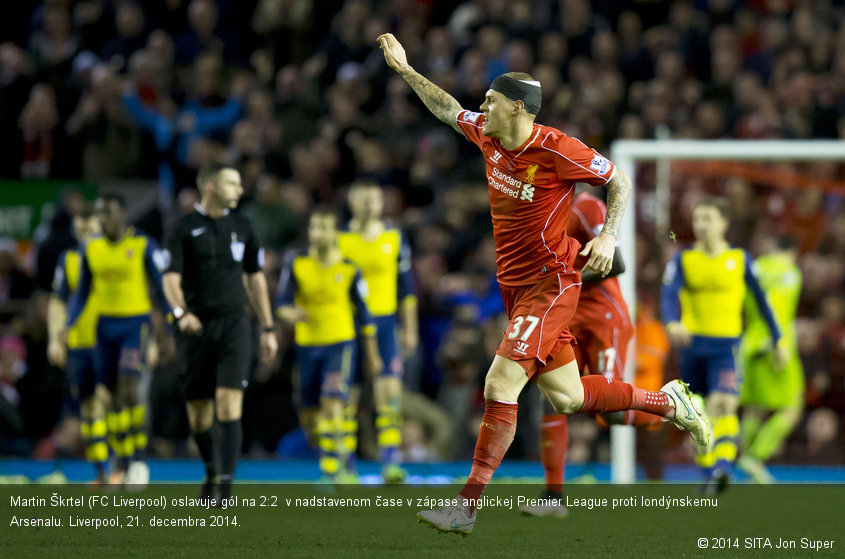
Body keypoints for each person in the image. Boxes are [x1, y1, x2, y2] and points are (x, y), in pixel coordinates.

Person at [378, 33, 707, 535]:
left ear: (517, 107)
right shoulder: (488, 136)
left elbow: (619, 180)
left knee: (499, 382)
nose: (480, 106)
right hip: (514, 287)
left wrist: (609, 236)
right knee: (568, 398)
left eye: (489, 100)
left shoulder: (556, 148)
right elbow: (446, 108)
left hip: (550, 283)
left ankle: (465, 508)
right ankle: (670, 403)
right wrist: (404, 69)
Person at [521, 189, 662, 517]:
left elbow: (618, 262)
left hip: (603, 318)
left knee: (610, 413)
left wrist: (566, 282)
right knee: (553, 399)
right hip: (567, 316)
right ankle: (553, 498)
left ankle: (673, 409)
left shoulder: (586, 207)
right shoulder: (539, 211)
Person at [162, 162, 278, 502]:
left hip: (234, 325)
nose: (240, 190)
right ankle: (211, 469)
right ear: (209, 187)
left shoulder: (243, 225)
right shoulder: (182, 228)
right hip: (194, 328)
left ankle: (225, 487)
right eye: (232, 183)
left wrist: (267, 328)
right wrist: (181, 313)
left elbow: (255, 277)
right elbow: (169, 277)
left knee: (229, 404)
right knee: (199, 413)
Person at [661, 196, 784, 494]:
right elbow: (668, 294)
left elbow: (762, 302)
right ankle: (709, 472)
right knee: (697, 414)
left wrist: (778, 339)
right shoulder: (683, 258)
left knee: (725, 404)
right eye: (697, 219)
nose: (701, 225)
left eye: (708, 219)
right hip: (691, 346)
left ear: (724, 223)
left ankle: (722, 469)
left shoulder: (740, 260)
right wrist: (672, 322)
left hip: (726, 346)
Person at [67, 194, 169, 487]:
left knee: (129, 386)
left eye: (109, 214)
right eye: (101, 214)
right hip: (104, 327)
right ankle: (123, 461)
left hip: (134, 325)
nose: (105, 220)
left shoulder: (141, 244)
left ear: (123, 215)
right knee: (110, 397)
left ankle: (137, 457)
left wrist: (168, 329)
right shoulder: (91, 248)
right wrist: (68, 323)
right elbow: (83, 292)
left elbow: (159, 288)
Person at [277, 208, 383, 484]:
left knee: (332, 402)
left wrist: (371, 353)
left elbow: (365, 316)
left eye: (324, 228)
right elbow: (282, 304)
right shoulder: (297, 263)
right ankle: (342, 458)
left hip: (340, 342)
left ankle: (331, 470)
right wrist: (291, 315)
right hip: (307, 345)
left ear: (335, 233)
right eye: (314, 228)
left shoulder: (349, 269)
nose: (318, 234)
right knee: (309, 416)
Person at [338, 181, 418, 483]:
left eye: (375, 198)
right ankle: (346, 464)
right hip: (349, 325)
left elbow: (407, 289)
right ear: (352, 201)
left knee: (389, 392)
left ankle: (391, 462)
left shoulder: (394, 237)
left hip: (385, 324)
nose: (371, 203)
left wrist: (410, 330)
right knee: (348, 394)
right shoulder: (340, 240)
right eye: (364, 197)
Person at [47, 204, 108, 483]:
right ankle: (95, 473)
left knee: (111, 406)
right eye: (81, 230)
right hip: (79, 346)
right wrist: (54, 339)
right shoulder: (68, 259)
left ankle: (121, 468)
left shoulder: (115, 256)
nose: (86, 235)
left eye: (91, 229)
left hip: (111, 344)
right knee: (83, 413)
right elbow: (58, 301)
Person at [738, 235, 804, 483]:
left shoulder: (755, 267)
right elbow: (778, 310)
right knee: (792, 409)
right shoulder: (791, 272)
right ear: (793, 252)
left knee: (754, 409)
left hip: (751, 343)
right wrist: (779, 343)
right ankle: (756, 456)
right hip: (778, 345)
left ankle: (747, 465)